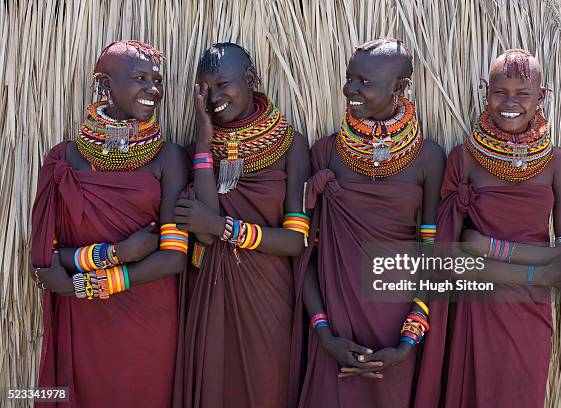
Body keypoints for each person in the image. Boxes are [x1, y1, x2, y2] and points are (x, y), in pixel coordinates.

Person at [30, 40, 189, 408]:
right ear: (104, 86)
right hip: (84, 323)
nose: (153, 89)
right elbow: (45, 266)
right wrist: (116, 253)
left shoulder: (168, 158)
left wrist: (85, 282)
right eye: (139, 78)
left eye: (157, 80)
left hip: (148, 324)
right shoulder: (63, 159)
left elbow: (173, 259)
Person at [296, 38, 446, 408]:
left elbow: (431, 255)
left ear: (398, 87)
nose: (350, 89)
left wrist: (408, 341)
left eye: (364, 82)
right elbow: (305, 257)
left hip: (396, 336)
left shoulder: (428, 158)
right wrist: (324, 333)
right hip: (333, 334)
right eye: (349, 79)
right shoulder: (326, 152)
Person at [437, 48, 561, 407]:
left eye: (523, 94)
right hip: (478, 307)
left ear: (542, 96)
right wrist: (540, 271)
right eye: (500, 92)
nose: (510, 103)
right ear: (486, 92)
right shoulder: (464, 158)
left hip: (531, 311)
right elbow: (452, 259)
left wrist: (488, 246)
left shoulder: (556, 162)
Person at [172, 42, 311, 408]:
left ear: (251, 79)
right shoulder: (195, 151)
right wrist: (204, 141)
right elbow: (201, 232)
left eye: (222, 84)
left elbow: (295, 241)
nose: (214, 96)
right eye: (205, 88)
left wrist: (223, 227)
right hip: (211, 295)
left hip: (269, 299)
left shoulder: (290, 146)